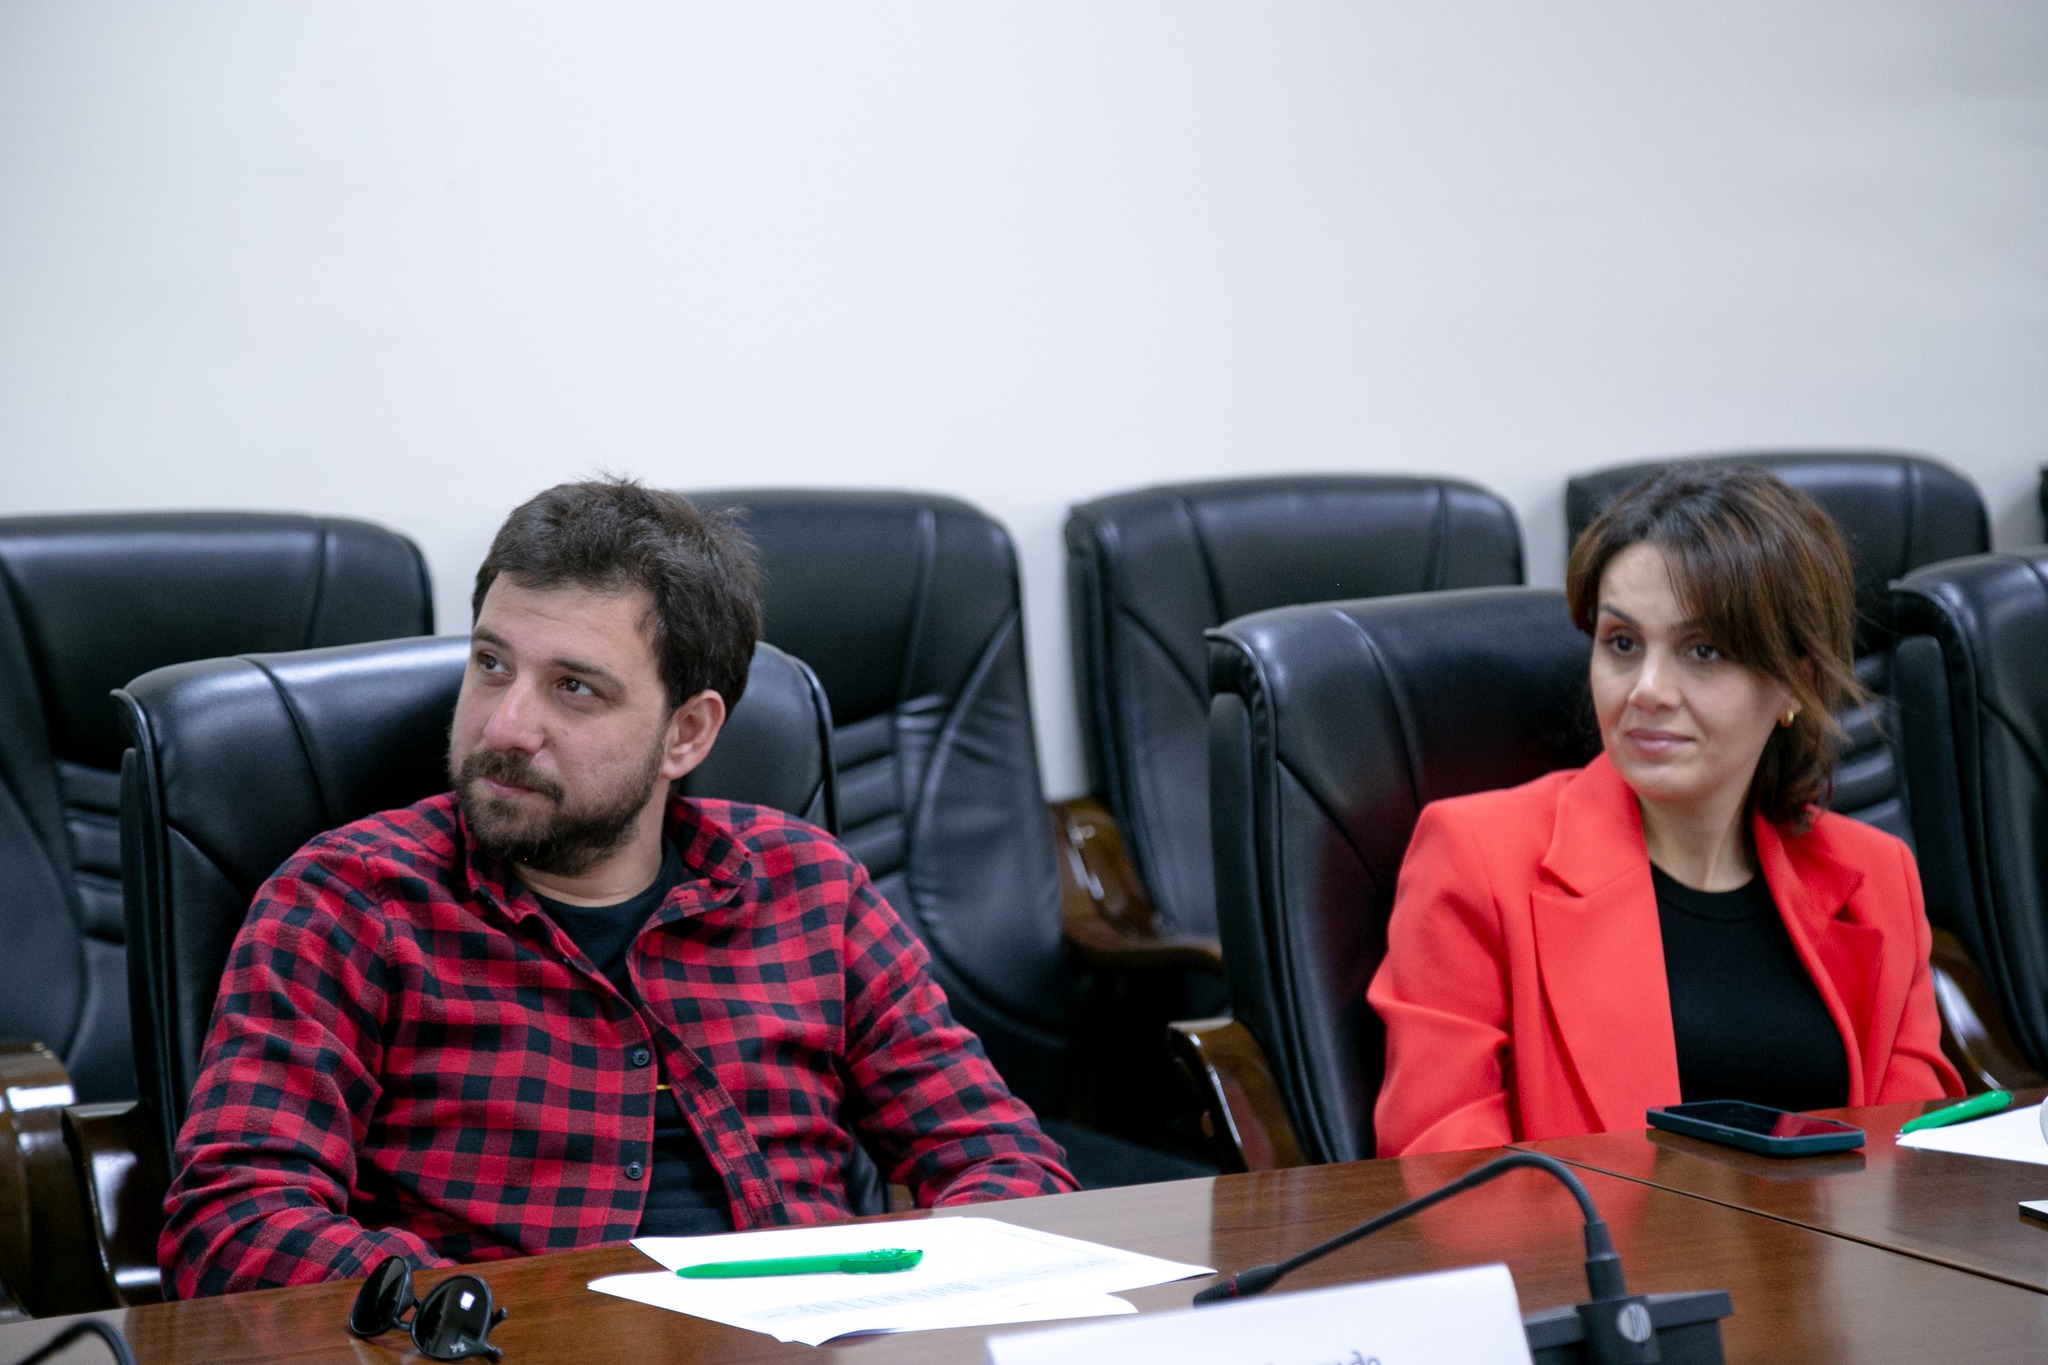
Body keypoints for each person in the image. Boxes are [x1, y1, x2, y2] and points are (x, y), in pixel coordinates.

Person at [160, 479, 1076, 1298]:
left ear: (687, 733)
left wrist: (919, 1296)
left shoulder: (810, 886)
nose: (506, 726)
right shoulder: (350, 901)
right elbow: (234, 1221)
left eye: (575, 688)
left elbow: (1003, 1159)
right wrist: (456, 1309)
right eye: (491, 664)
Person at [1369, 464, 1962, 1157]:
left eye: (1702, 650)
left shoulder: (1877, 877)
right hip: (1589, 1232)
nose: (1647, 689)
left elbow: (1911, 1158)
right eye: (1622, 643)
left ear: (1794, 683)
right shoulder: (1475, 857)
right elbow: (1443, 1162)